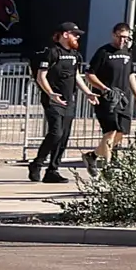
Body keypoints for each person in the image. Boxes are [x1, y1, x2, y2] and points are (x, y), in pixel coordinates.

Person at [86, 23, 136, 157]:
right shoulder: (103, 52)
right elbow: (89, 74)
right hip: (107, 99)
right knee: (110, 131)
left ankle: (93, 156)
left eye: (126, 38)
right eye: (120, 37)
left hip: (123, 99)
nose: (122, 41)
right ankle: (107, 166)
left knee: (121, 132)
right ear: (113, 35)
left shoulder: (128, 53)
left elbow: (130, 75)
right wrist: (104, 88)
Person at [28, 24, 85, 183]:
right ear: (65, 34)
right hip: (52, 101)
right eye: (75, 34)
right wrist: (51, 94)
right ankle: (37, 164)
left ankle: (52, 170)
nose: (78, 37)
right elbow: (41, 76)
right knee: (56, 133)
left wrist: (88, 92)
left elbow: (77, 76)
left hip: (68, 100)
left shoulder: (75, 55)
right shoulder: (51, 52)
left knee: (64, 136)